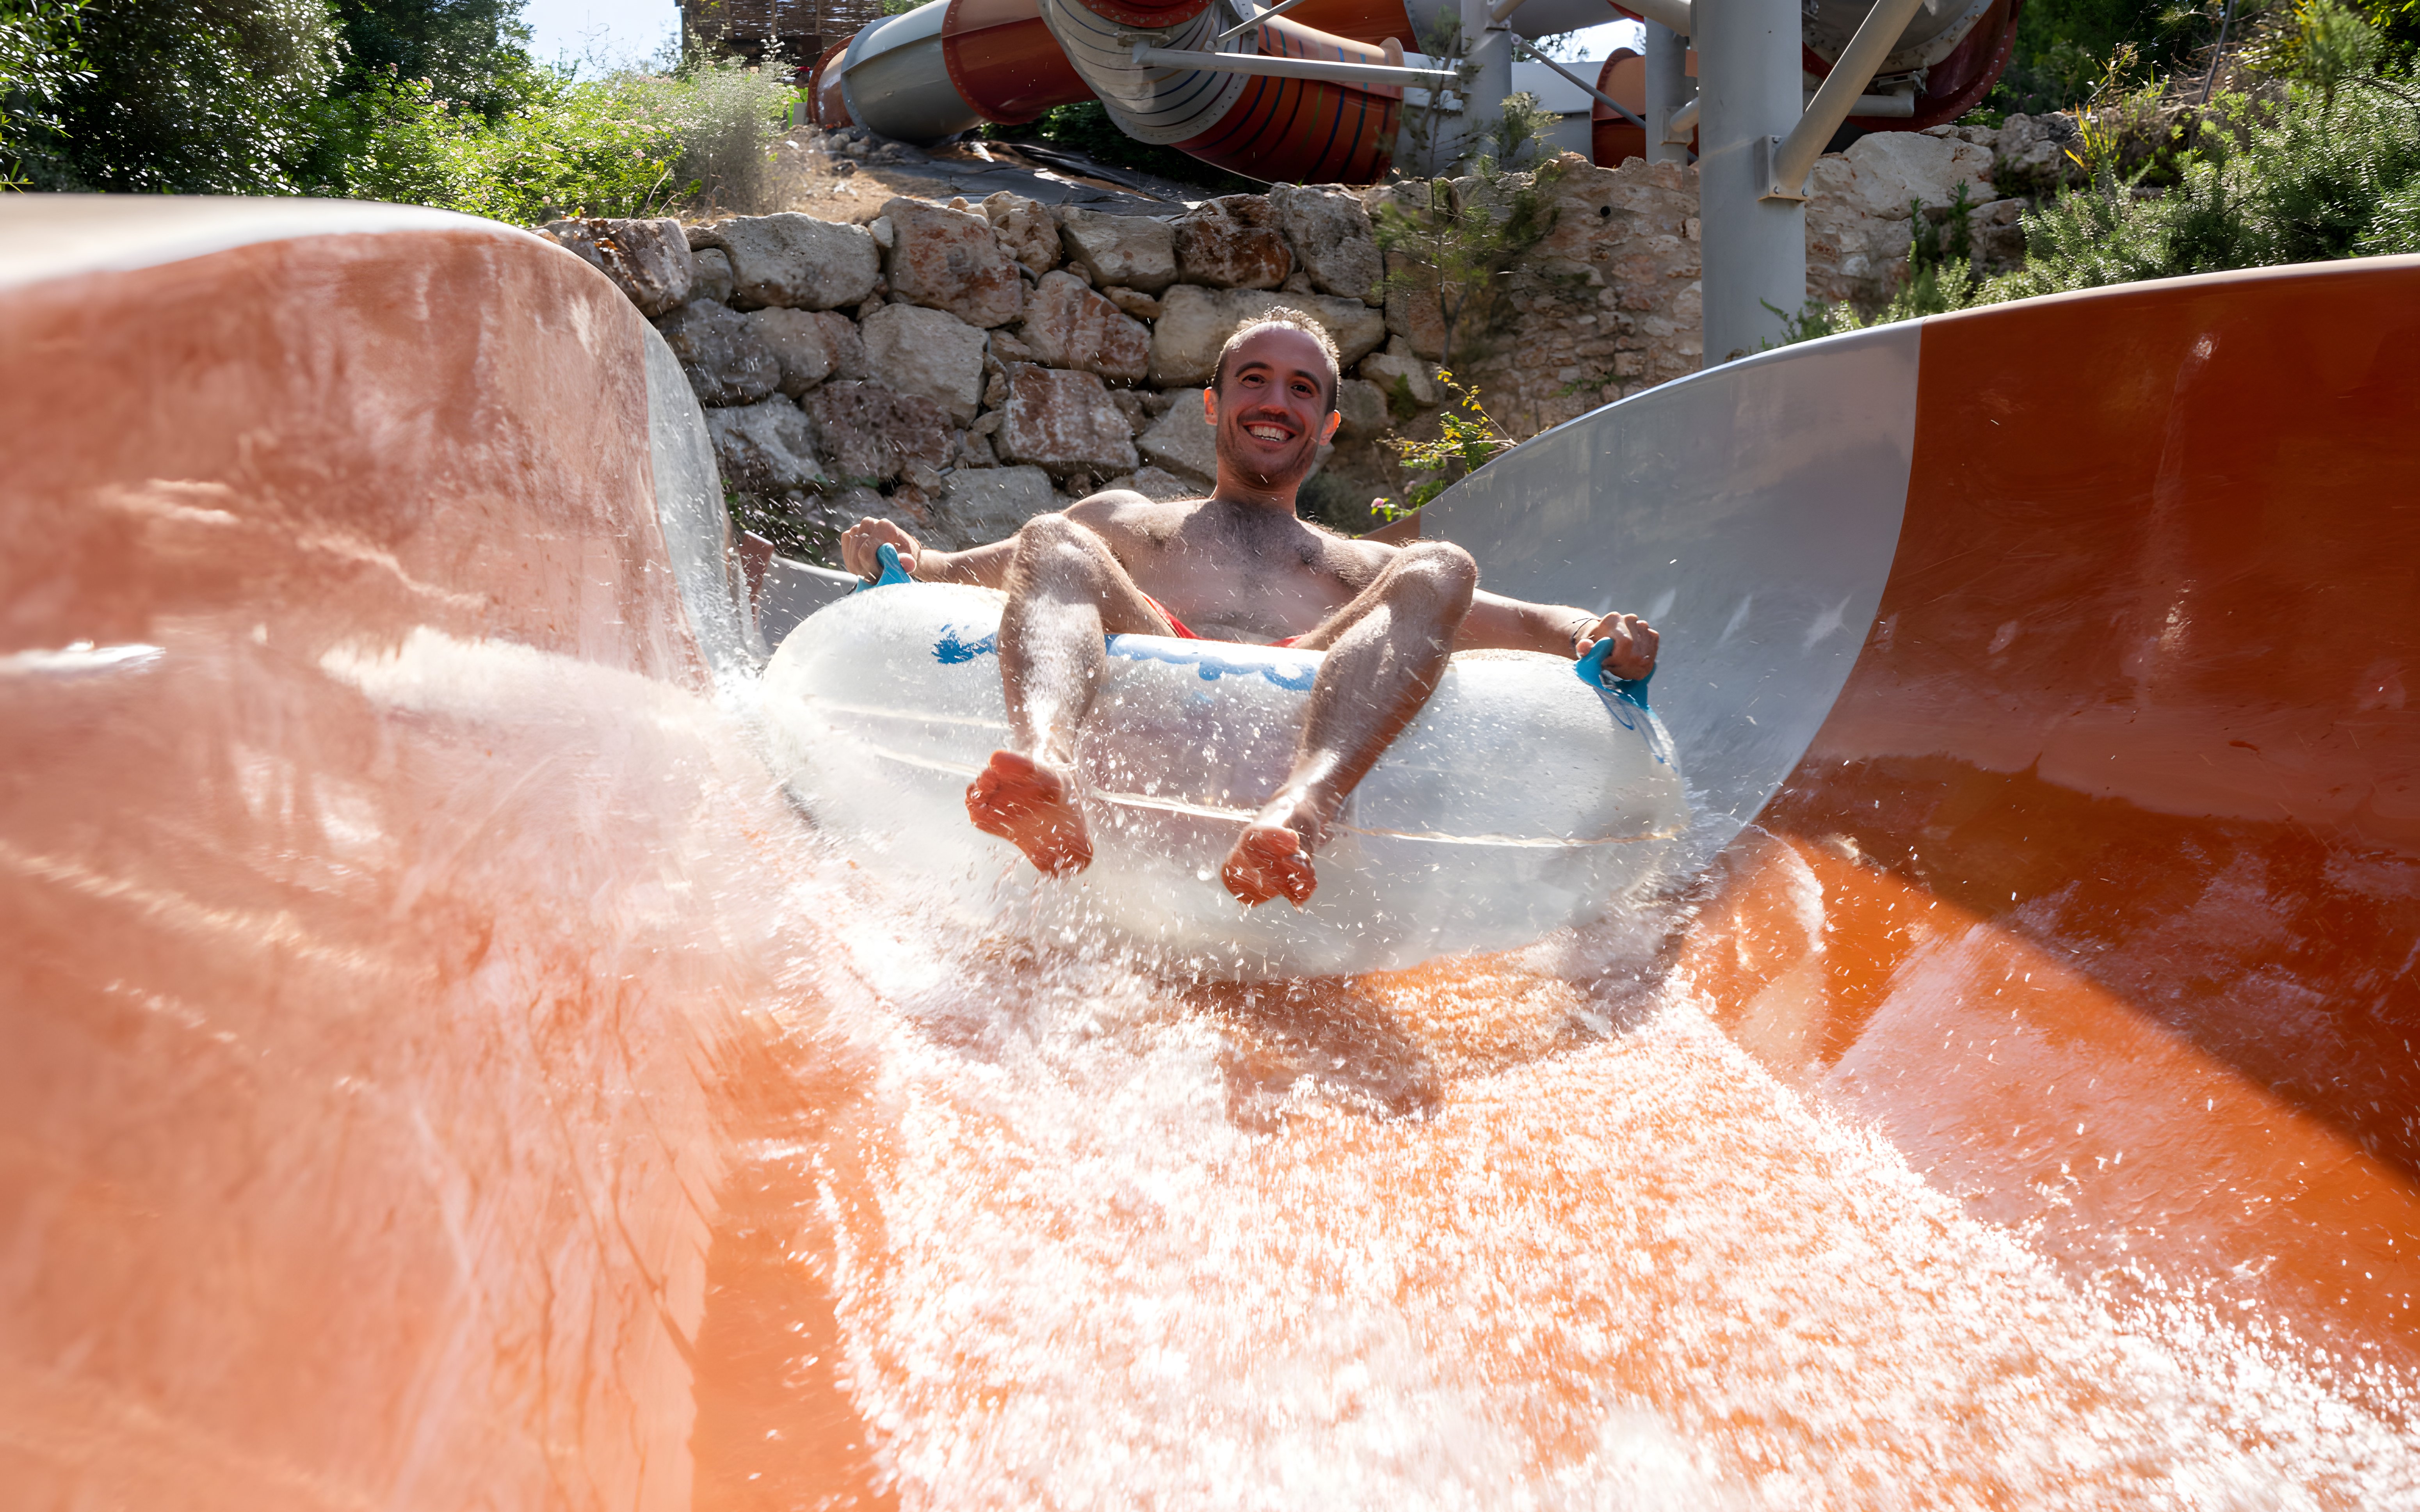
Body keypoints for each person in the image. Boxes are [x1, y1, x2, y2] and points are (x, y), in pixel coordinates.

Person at [838, 311, 1660, 909]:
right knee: (1052, 537)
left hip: (1303, 715)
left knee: (1440, 563)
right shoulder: (1128, 522)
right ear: (1211, 404)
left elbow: (1537, 625)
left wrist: (1596, 632)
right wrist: (896, 556)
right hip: (1145, 692)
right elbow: (948, 571)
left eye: (1302, 389)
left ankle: (1302, 811)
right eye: (1254, 381)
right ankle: (1044, 770)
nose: (1276, 401)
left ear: (1327, 425)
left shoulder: (1358, 567)